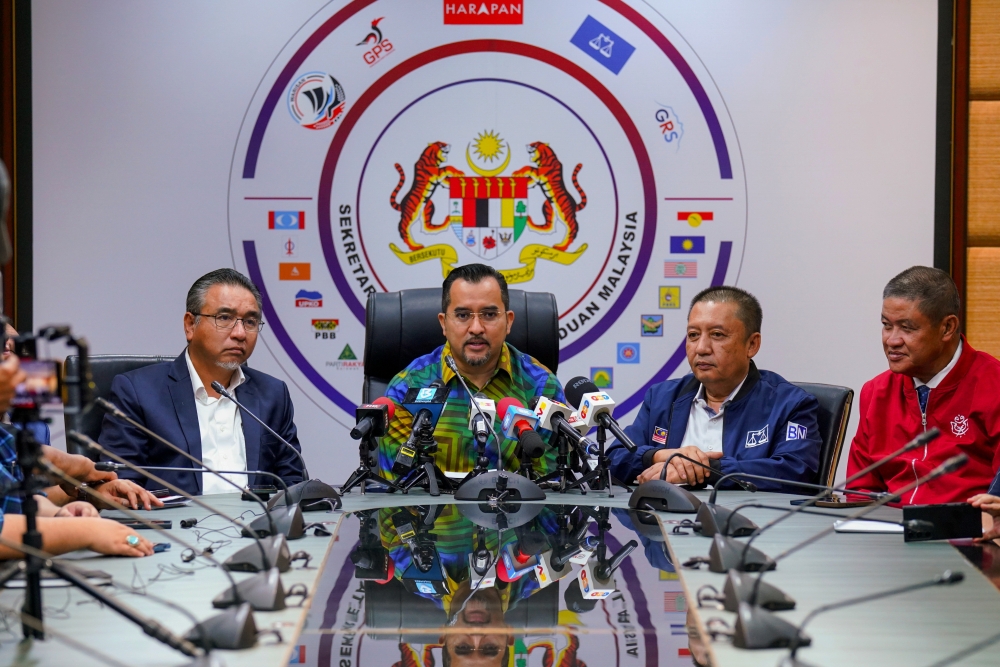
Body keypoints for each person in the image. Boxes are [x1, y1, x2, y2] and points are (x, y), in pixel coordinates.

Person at [98, 268, 304, 495]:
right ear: (190, 325)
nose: (240, 333)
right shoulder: (138, 391)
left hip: (257, 518)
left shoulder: (273, 394)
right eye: (224, 318)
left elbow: (292, 484)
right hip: (175, 518)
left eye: (250, 321)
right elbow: (121, 487)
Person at [607, 286, 821, 491]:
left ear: (752, 345)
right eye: (693, 335)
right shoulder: (662, 398)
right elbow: (614, 459)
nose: (701, 348)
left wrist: (705, 469)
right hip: (662, 516)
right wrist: (660, 456)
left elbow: (795, 470)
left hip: (745, 516)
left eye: (717, 334)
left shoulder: (789, 404)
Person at [378, 264, 564, 479]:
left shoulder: (541, 386)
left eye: (489, 314)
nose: (476, 328)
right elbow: (400, 484)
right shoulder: (408, 387)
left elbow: (551, 482)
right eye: (463, 315)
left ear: (508, 321)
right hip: (431, 502)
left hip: (516, 501)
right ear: (444, 323)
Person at [846, 266, 1000, 505]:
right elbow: (860, 490)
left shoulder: (993, 385)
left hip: (967, 524)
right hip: (887, 525)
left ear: (947, 327)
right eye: (887, 325)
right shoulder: (876, 392)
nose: (892, 340)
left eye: (907, 328)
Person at [0, 320, 161, 512]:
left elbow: (31, 495)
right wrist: (76, 466)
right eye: (4, 349)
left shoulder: (34, 428)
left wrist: (89, 494)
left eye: (17, 351)